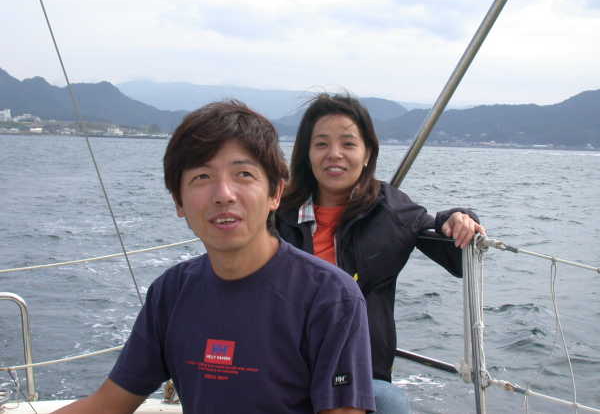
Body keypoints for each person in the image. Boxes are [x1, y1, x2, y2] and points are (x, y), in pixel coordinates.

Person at [52, 101, 375, 414]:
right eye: (202, 177)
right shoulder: (171, 292)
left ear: (275, 193)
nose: (223, 195)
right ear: (179, 202)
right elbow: (109, 405)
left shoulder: (330, 296)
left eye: (243, 174)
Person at [276, 93, 486, 414]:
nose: (334, 154)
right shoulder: (278, 213)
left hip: (360, 372)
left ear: (367, 154)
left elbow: (457, 259)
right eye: (321, 144)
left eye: (348, 144)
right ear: (306, 154)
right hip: (283, 363)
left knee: (390, 403)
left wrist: (458, 218)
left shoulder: (390, 210)